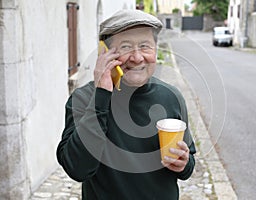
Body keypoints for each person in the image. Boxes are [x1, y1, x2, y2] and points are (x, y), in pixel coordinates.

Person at [57, 9, 196, 200]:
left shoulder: (171, 97)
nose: (137, 57)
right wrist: (101, 95)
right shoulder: (83, 99)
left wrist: (184, 163)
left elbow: (187, 166)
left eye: (145, 46)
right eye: (125, 46)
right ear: (104, 53)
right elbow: (77, 169)